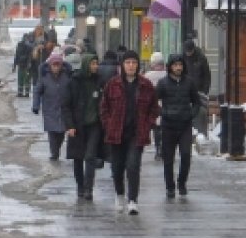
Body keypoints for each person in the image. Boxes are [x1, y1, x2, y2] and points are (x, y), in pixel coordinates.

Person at [99, 51, 157, 215]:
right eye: (128, 62)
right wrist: (108, 124)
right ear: (122, 66)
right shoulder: (113, 84)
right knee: (117, 167)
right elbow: (104, 107)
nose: (131, 65)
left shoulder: (145, 85)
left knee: (133, 166)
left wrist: (148, 124)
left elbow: (154, 108)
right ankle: (119, 194)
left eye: (134, 62)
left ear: (137, 65)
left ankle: (133, 200)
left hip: (136, 133)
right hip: (116, 133)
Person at [155, 53, 201, 199]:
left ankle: (182, 183)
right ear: (170, 67)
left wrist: (191, 114)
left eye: (180, 65)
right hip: (168, 125)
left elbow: (197, 102)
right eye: (175, 65)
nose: (178, 68)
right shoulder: (163, 83)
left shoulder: (189, 82)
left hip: (185, 125)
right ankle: (170, 187)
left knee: (186, 155)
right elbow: (154, 101)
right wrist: (163, 112)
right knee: (168, 158)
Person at [62, 53, 104, 200]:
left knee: (90, 156)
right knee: (78, 158)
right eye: (92, 64)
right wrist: (70, 125)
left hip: (94, 125)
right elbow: (66, 106)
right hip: (77, 126)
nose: (95, 66)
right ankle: (80, 186)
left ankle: (88, 189)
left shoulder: (99, 81)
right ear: (86, 64)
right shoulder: (74, 82)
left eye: (96, 63)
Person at [32, 51, 72, 161]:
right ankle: (54, 153)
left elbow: (72, 90)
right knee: (52, 133)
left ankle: (57, 149)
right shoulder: (44, 77)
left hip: (63, 109)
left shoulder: (66, 76)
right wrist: (36, 105)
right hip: (49, 109)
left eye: (58, 65)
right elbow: (37, 91)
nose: (56, 67)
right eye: (54, 65)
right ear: (50, 65)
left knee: (61, 132)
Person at [182, 38, 212, 135]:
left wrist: (205, 91)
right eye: (187, 51)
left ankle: (201, 133)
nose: (188, 53)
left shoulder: (201, 58)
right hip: (186, 91)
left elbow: (207, 75)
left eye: (190, 51)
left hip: (199, 91)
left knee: (200, 112)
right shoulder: (182, 57)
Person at [143, 52, 168, 160]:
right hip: (166, 105)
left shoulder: (147, 76)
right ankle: (163, 148)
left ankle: (158, 148)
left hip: (153, 105)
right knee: (165, 128)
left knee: (156, 129)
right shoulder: (167, 75)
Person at [13, 31, 34, 97]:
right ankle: (23, 93)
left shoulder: (24, 45)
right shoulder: (26, 45)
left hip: (24, 66)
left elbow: (17, 55)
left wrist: (14, 65)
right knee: (23, 79)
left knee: (24, 79)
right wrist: (14, 65)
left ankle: (23, 93)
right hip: (24, 66)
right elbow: (17, 55)